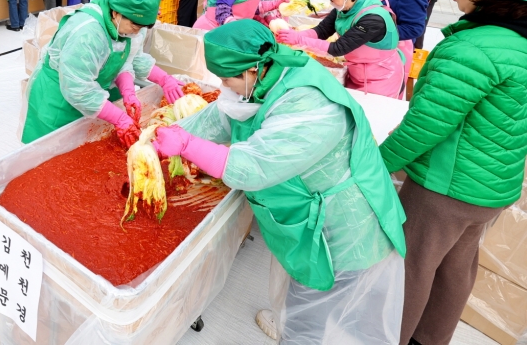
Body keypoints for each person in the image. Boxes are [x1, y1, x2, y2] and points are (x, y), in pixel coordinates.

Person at [154, 20, 406, 344]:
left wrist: (188, 147)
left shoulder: (311, 104)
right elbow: (221, 116)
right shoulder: (268, 75)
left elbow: (254, 167)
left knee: (320, 312)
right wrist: (175, 133)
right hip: (313, 212)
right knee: (307, 296)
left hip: (347, 224)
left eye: (226, 78)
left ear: (252, 69)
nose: (223, 85)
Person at [378, 0, 527, 345]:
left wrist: (377, 162)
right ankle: (429, 338)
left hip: (446, 188)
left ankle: (391, 336)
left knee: (412, 267)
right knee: (456, 267)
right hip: (493, 188)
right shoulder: (518, 43)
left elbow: (426, 125)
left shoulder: (472, 47)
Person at [21, 0, 179, 144]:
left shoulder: (125, 27)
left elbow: (124, 59)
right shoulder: (88, 34)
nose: (137, 31)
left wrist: (128, 91)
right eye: (134, 25)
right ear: (116, 13)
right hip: (59, 98)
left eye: (142, 28)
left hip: (91, 94)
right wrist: (119, 118)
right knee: (52, 151)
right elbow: (78, 89)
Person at [277, 0, 406, 99]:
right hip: (357, 70)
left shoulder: (373, 18)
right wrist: (293, 36)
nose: (329, 0)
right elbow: (321, 31)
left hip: (380, 77)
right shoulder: (345, 5)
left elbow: (337, 48)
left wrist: (298, 40)